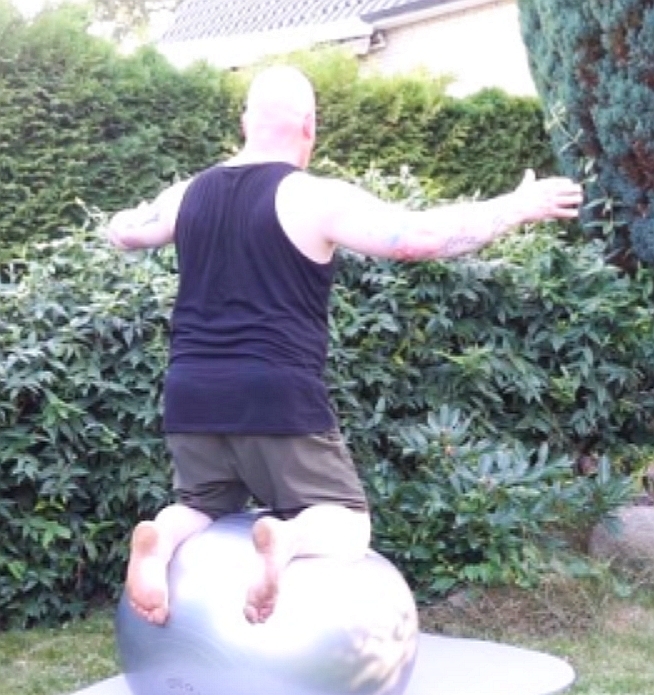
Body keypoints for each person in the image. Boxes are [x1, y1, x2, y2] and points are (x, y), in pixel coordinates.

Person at [107, 64, 583, 627]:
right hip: (276, 391)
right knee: (347, 522)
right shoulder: (310, 196)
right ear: (309, 126)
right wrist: (518, 206)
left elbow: (126, 232)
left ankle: (159, 541)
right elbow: (422, 238)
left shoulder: (187, 194)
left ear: (245, 122)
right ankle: (287, 541)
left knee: (200, 503)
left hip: (190, 389)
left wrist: (122, 218)